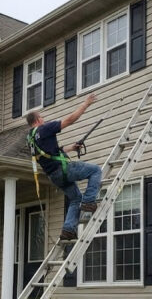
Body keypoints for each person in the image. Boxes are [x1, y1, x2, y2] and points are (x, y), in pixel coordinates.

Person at [26, 93, 101, 240]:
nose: (44, 119)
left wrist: (72, 148)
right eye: (42, 117)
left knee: (75, 199)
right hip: (63, 170)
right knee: (95, 170)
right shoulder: (44, 128)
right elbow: (69, 120)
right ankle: (89, 201)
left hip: (54, 176)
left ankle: (68, 230)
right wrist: (86, 104)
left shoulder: (30, 139)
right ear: (38, 119)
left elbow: (50, 152)